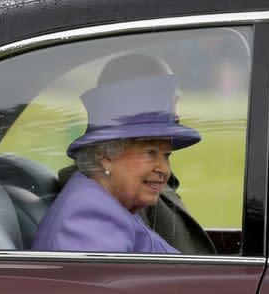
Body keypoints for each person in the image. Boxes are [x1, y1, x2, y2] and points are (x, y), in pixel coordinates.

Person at [32, 55, 203, 254]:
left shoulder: (112, 203)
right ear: (106, 156)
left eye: (166, 156)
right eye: (150, 153)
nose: (164, 169)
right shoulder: (90, 217)